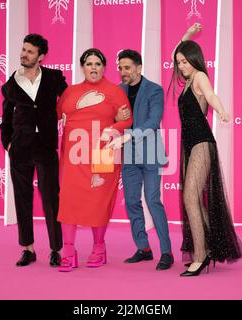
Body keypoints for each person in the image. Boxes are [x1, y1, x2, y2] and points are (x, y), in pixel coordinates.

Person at [170, 24, 242, 277]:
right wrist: (187, 36)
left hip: (202, 141)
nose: (180, 66)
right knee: (192, 198)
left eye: (184, 62)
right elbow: (177, 51)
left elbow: (211, 96)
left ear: (194, 59)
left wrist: (222, 110)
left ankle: (201, 256)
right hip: (188, 143)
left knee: (191, 197)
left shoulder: (200, 76)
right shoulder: (188, 78)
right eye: (179, 62)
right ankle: (209, 248)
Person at [56, 48, 133, 272]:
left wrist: (111, 129)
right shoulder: (70, 92)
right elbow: (59, 114)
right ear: (82, 67)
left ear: (104, 67)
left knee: (98, 201)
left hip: (103, 152)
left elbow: (127, 121)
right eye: (89, 64)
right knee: (68, 201)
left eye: (97, 64)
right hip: (73, 155)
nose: (93, 68)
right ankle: (69, 251)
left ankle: (99, 248)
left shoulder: (115, 92)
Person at [0, 34, 67, 267]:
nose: (24, 54)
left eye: (29, 51)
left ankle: (55, 248)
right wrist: (8, 143)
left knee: (51, 198)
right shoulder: (10, 84)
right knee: (22, 199)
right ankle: (27, 248)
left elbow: (68, 101)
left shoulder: (54, 78)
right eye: (23, 49)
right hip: (20, 148)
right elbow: (5, 119)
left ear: (41, 56)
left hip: (46, 146)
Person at [115, 49, 173, 270]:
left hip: (150, 154)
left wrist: (130, 134)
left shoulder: (154, 90)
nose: (123, 72)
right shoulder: (118, 90)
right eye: (120, 67)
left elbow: (153, 120)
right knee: (131, 202)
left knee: (153, 200)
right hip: (128, 156)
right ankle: (144, 248)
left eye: (127, 67)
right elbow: (112, 118)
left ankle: (166, 252)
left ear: (139, 68)